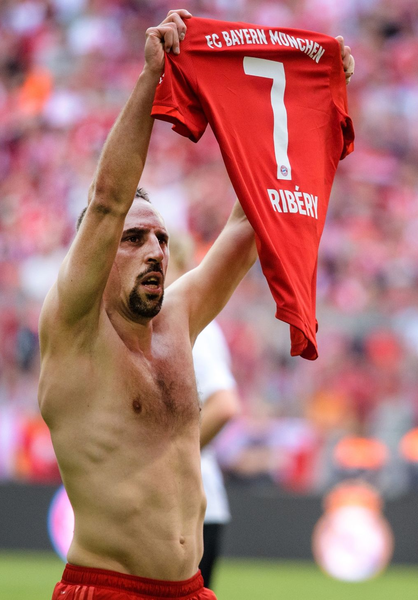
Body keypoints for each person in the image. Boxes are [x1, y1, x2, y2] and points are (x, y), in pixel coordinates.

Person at [37, 9, 355, 600]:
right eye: (134, 240)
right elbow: (107, 202)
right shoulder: (73, 330)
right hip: (108, 590)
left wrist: (314, 105)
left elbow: (252, 220)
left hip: (192, 589)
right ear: (97, 258)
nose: (155, 250)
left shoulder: (178, 321)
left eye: (159, 238)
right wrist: (150, 81)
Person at [167, 233, 241, 589]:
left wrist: (168, 459)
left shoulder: (186, 324)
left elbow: (224, 404)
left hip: (189, 507)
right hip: (189, 505)